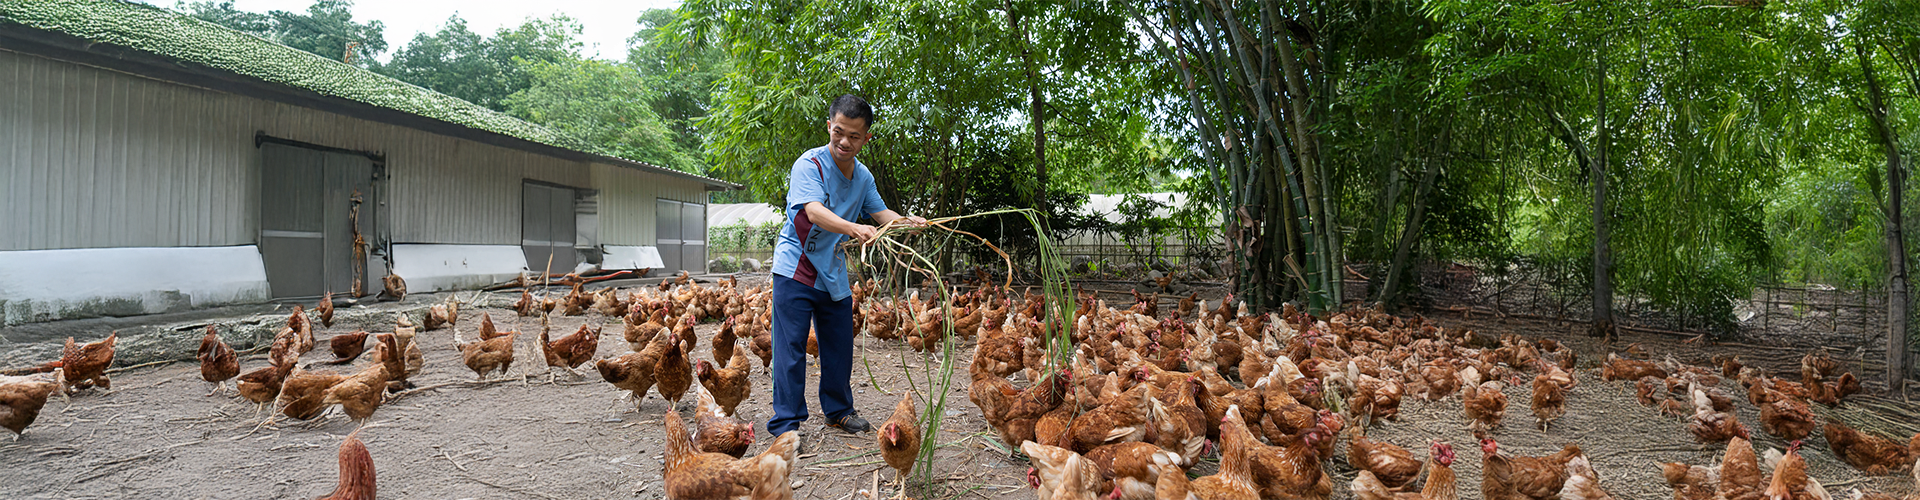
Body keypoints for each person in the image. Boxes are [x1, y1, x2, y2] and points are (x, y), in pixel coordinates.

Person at [768, 94, 924, 439]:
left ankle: (838, 410)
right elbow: (812, 211)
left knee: (839, 344)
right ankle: (786, 426)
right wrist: (853, 227)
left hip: (833, 269)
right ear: (829, 126)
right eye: (839, 132)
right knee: (791, 347)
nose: (844, 141)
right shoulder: (810, 164)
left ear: (866, 138)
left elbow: (881, 214)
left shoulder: (863, 176)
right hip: (797, 265)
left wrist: (908, 222)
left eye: (854, 136)